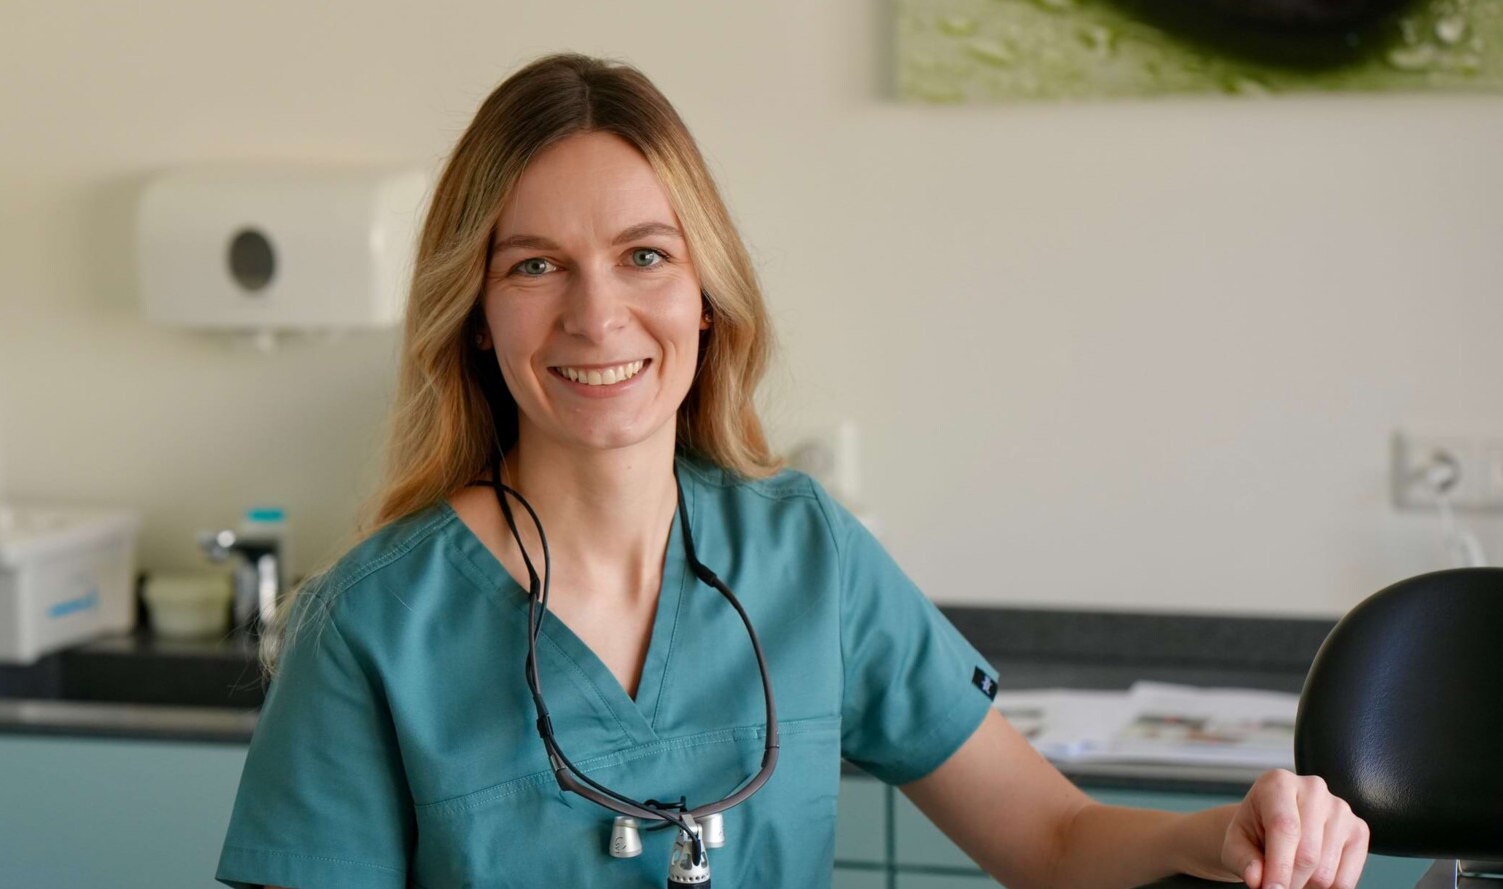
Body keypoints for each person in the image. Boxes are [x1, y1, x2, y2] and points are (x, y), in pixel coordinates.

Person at [214, 52, 1369, 889]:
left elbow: (1055, 840)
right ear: (474, 315)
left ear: (704, 299)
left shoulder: (805, 557)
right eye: (534, 266)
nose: (597, 314)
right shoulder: (371, 626)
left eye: (644, 255)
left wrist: (1218, 835)